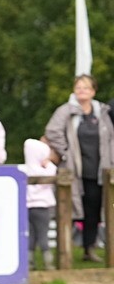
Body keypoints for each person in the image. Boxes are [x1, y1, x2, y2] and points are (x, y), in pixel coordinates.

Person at [45, 74, 114, 262]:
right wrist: (65, 152)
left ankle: (89, 249)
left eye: (86, 87)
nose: (82, 90)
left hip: (98, 171)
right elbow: (52, 131)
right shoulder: (65, 111)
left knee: (93, 211)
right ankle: (64, 252)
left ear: (93, 91)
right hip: (73, 171)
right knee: (69, 211)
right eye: (78, 87)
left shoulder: (102, 113)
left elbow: (110, 139)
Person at [20, 137, 57, 269]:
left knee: (31, 235)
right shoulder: (46, 170)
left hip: (29, 207)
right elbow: (53, 170)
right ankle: (48, 262)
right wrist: (48, 162)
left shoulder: (26, 170)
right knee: (43, 235)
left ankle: (30, 262)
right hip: (43, 207)